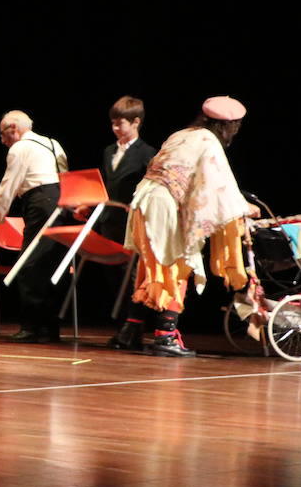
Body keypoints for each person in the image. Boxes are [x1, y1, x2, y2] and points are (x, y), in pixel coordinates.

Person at [121, 96, 259, 357]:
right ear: (230, 126)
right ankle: (166, 336)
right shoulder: (209, 142)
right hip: (164, 204)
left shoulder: (182, 134)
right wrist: (243, 206)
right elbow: (221, 185)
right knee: (182, 263)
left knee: (151, 267)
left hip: (143, 200)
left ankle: (130, 330)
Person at [0, 110, 69, 343]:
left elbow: (7, 188)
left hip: (40, 204)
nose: (2, 140)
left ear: (13, 128)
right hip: (61, 204)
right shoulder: (54, 143)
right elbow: (67, 177)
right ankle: (50, 328)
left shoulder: (19, 148)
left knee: (29, 265)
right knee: (51, 265)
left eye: (3, 134)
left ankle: (32, 327)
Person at [88, 96, 158, 349]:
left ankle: (133, 329)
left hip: (132, 222)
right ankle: (124, 328)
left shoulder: (148, 153)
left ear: (136, 122)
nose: (116, 128)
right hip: (109, 220)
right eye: (113, 123)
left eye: (121, 123)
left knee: (131, 278)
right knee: (113, 277)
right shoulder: (109, 151)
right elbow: (108, 184)